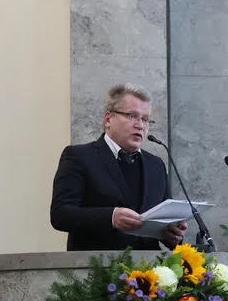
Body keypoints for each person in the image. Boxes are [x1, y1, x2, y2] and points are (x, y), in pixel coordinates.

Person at [50, 84, 187, 251]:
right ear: (108, 119)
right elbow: (60, 214)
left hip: (149, 271)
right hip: (97, 270)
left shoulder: (155, 165)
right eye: (132, 116)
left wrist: (172, 235)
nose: (140, 125)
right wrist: (111, 217)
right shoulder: (79, 156)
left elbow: (165, 220)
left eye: (145, 119)